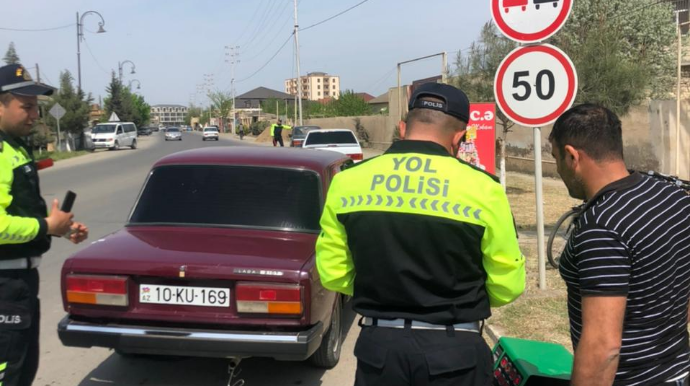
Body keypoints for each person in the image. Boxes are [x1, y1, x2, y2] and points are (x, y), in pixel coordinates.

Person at [316, 83, 525, 386]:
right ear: (460, 137)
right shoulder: (485, 189)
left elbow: (333, 274)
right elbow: (507, 285)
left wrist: (381, 290)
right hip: (457, 354)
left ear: (403, 128)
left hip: (381, 352)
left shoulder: (348, 182)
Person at [549, 104, 690, 386]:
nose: (557, 170)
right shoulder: (673, 196)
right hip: (679, 370)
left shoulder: (601, 226)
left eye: (556, 158)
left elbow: (603, 348)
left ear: (571, 156)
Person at [0, 64, 89, 386]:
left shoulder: (13, 147)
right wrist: (45, 227)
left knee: (22, 370)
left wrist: (60, 227)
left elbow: (18, 214)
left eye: (36, 106)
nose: (34, 114)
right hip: (4, 282)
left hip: (20, 280)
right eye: (26, 106)